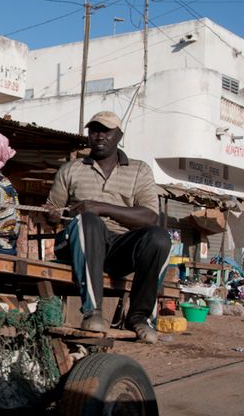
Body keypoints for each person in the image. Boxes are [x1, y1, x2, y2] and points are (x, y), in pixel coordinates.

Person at [44, 111, 171, 344]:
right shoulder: (71, 169)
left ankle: (140, 316)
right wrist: (52, 216)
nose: (99, 136)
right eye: (94, 130)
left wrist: (101, 207)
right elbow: (52, 211)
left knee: (160, 237)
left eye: (106, 131)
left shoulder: (139, 170)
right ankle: (93, 311)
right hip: (79, 245)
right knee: (89, 221)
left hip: (119, 249)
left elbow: (149, 217)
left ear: (119, 135)